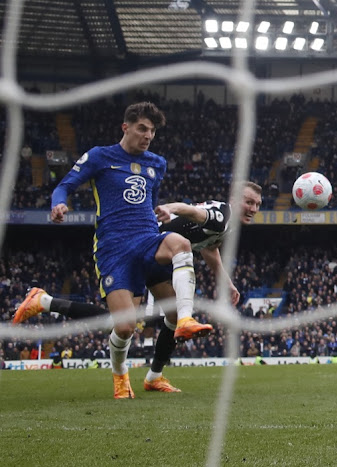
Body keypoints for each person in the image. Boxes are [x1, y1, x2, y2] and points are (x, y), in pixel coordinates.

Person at [14, 182, 263, 392]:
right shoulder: (223, 214)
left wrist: (227, 283)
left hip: (159, 256)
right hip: (141, 250)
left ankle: (154, 377)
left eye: (257, 205)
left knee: (173, 316)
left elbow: (210, 247)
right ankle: (44, 301)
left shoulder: (226, 225)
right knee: (122, 323)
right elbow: (190, 210)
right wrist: (169, 207)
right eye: (249, 202)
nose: (253, 208)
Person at [46, 102, 212, 399]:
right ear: (126, 127)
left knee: (181, 247)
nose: (148, 135)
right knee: (124, 327)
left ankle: (178, 333)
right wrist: (59, 204)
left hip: (148, 238)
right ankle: (120, 377)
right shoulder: (100, 156)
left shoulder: (156, 163)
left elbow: (147, 199)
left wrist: (159, 213)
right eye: (142, 129)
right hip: (115, 249)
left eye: (152, 131)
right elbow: (65, 186)